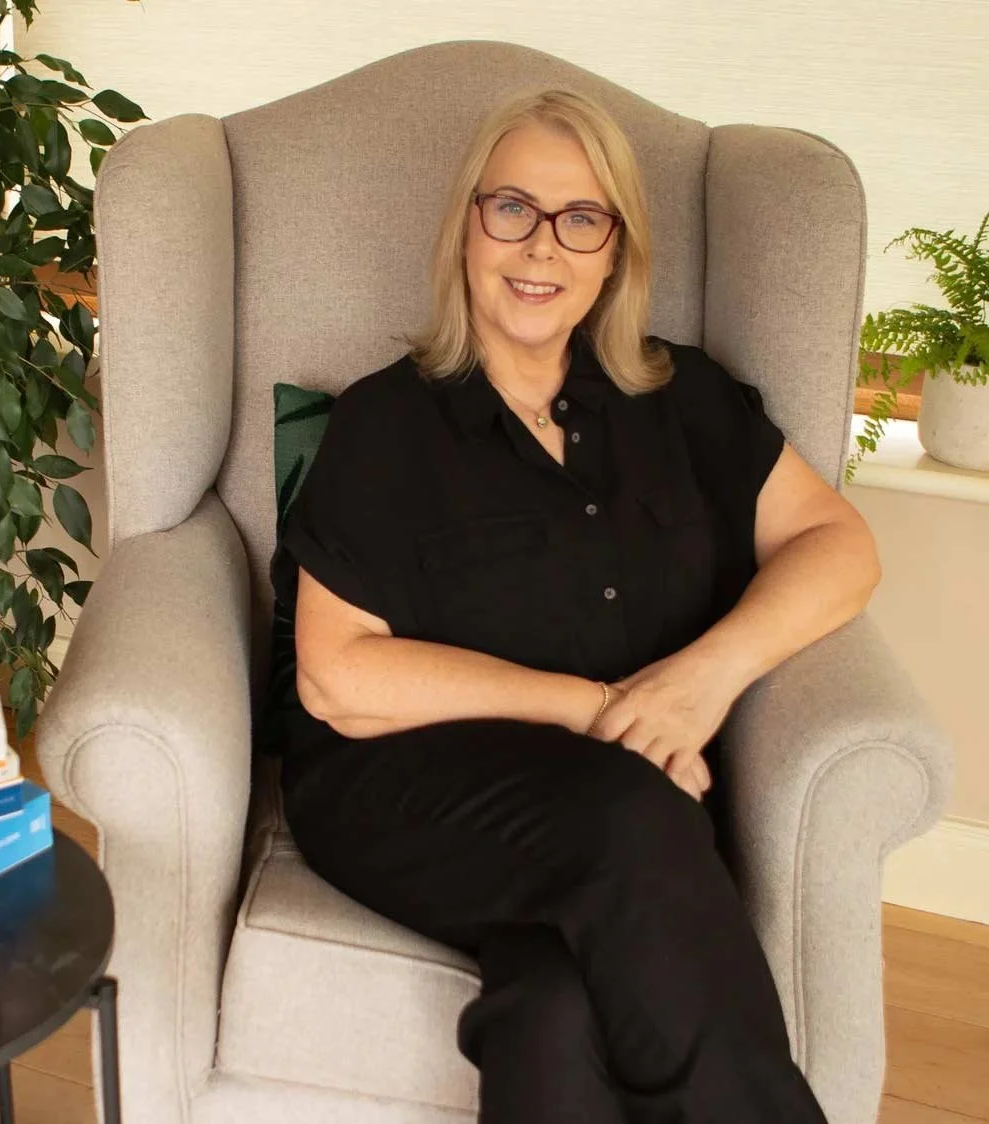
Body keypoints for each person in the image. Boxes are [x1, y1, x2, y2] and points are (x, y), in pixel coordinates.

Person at [270, 87, 880, 1124]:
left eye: (579, 219)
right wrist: (599, 709)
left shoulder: (679, 400)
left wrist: (702, 678)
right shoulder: (386, 420)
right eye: (510, 209)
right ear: (466, 225)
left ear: (615, 253)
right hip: (400, 782)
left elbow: (840, 547)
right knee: (636, 820)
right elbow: (338, 676)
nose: (539, 247)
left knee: (551, 1004)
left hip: (617, 800)